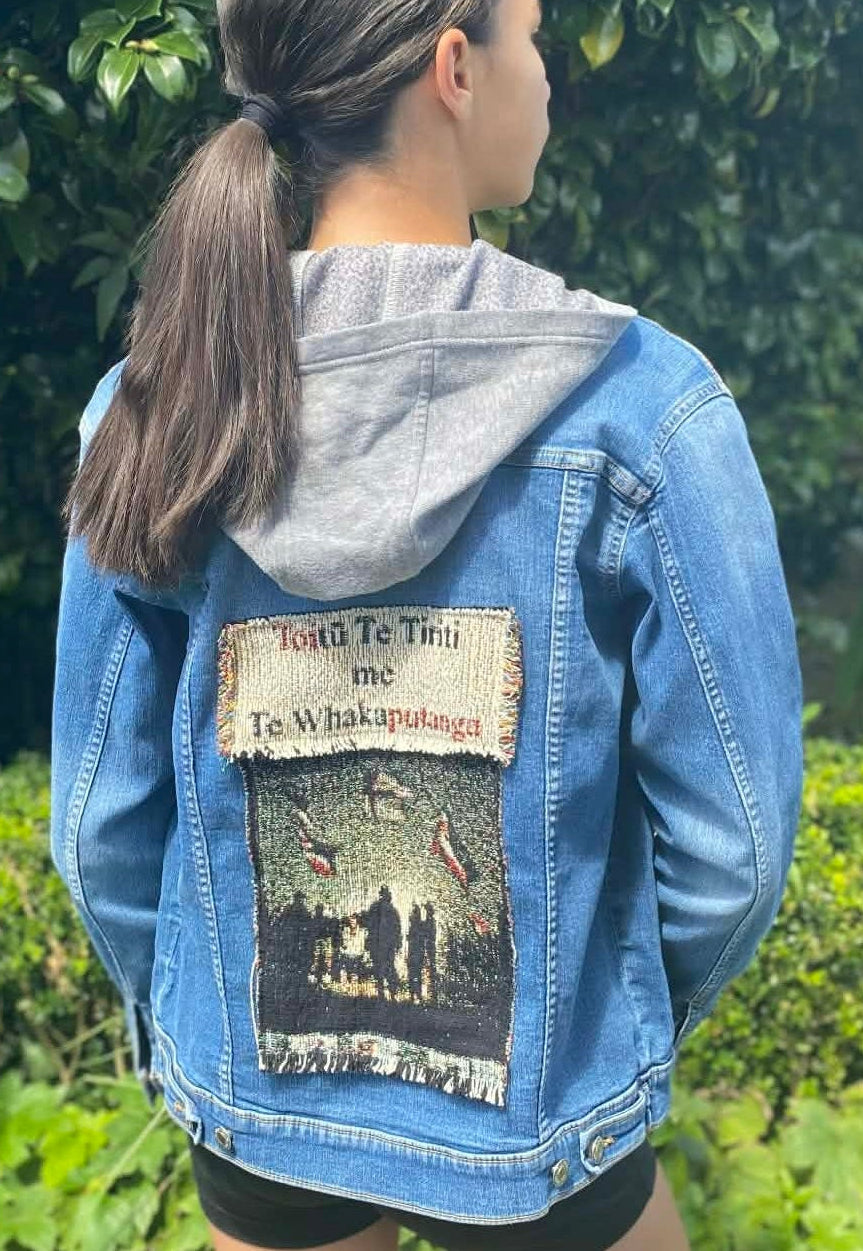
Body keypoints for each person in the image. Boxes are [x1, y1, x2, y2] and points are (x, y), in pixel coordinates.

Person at [48, 0, 804, 1247]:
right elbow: (736, 847)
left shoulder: (150, 410)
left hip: (263, 1107)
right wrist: (592, 1023)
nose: (546, 78)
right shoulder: (643, 409)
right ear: (454, 66)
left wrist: (208, 1023)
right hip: (539, 1129)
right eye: (534, 36)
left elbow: (98, 832)